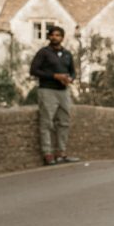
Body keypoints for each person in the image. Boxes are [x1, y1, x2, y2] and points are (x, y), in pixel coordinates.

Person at [29, 25, 80, 165]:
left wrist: (70, 79)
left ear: (62, 38)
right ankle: (48, 154)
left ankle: (61, 153)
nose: (55, 37)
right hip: (47, 90)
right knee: (47, 122)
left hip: (63, 91)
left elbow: (73, 71)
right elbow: (33, 70)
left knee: (64, 122)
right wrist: (54, 76)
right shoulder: (43, 53)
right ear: (49, 37)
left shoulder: (67, 54)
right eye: (52, 35)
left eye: (58, 35)